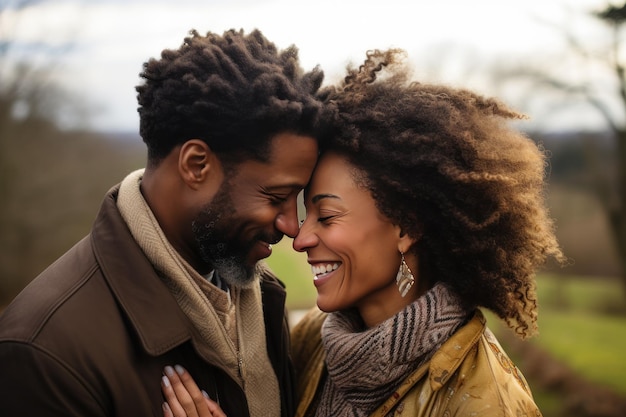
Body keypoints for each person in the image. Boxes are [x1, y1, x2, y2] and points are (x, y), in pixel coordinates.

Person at [161, 48, 566, 417]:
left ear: (407, 227)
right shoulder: (313, 341)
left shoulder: (486, 402)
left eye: (328, 216)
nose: (300, 239)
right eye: (307, 214)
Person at [0, 28, 328, 417]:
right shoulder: (46, 352)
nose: (293, 226)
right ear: (196, 165)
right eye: (276, 198)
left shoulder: (262, 300)